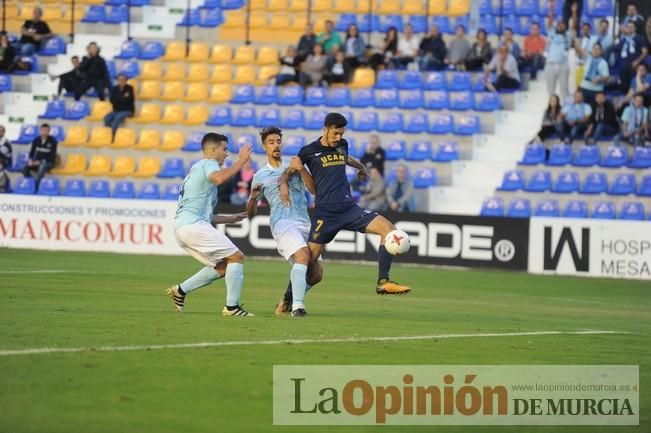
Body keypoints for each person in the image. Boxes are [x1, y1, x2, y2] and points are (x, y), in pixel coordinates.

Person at [282, 113, 412, 298]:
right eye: (335, 133)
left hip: (349, 208)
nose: (338, 138)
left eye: (341, 134)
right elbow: (309, 187)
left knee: (390, 230)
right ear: (326, 129)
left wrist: (360, 167)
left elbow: (345, 158)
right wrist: (285, 184)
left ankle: (383, 282)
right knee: (309, 265)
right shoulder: (308, 151)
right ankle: (286, 300)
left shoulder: (342, 145)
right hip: (326, 213)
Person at [166, 133, 254, 317]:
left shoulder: (196, 169)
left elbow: (202, 213)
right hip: (192, 226)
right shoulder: (208, 163)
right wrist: (241, 161)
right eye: (224, 149)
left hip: (184, 227)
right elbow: (219, 179)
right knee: (237, 257)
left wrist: (228, 219)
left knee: (226, 265)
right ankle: (232, 307)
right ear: (213, 150)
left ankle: (180, 291)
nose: (227, 154)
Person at [246, 126, 319, 317]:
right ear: (264, 146)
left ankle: (286, 301)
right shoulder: (260, 176)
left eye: (278, 141)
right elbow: (251, 215)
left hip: (304, 221)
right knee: (302, 256)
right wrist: (253, 198)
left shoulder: (294, 163)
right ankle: (298, 307)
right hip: (282, 222)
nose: (276, 145)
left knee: (316, 274)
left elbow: (313, 190)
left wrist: (301, 169)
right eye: (271, 142)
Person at [544, 0, 574, 101]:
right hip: (550, 64)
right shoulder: (551, 33)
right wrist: (551, 8)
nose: (560, 26)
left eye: (563, 24)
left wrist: (574, 13)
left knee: (564, 90)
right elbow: (549, 22)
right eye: (559, 24)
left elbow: (574, 26)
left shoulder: (569, 35)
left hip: (563, 65)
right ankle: (551, 109)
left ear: (566, 26)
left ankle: (565, 110)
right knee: (551, 90)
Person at [22, 123, 57, 191]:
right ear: (40, 131)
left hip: (48, 163)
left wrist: (40, 162)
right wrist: (30, 160)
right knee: (24, 168)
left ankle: (37, 187)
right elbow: (31, 152)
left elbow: (52, 156)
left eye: (46, 130)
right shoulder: (36, 140)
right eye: (43, 130)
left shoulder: (53, 141)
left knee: (42, 166)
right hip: (36, 162)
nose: (44, 132)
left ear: (49, 131)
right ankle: (32, 182)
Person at [616, 21, 648, 93]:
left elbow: (645, 52)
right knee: (623, 86)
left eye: (631, 27)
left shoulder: (639, 38)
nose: (629, 29)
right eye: (628, 27)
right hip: (623, 66)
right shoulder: (624, 39)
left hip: (634, 66)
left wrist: (637, 61)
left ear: (635, 29)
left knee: (633, 87)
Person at [104, 73, 134, 138]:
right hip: (116, 110)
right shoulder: (115, 89)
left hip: (127, 110)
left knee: (117, 118)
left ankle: (112, 136)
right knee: (107, 118)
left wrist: (118, 99)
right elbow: (112, 100)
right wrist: (122, 98)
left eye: (123, 80)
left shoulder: (130, 88)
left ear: (126, 80)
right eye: (120, 80)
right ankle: (108, 134)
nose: (121, 81)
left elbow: (129, 100)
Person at [0, 125, 10, 193]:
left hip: (4, 161)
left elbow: (4, 153)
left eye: (1, 131)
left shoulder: (6, 142)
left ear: (4, 132)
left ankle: (2, 187)